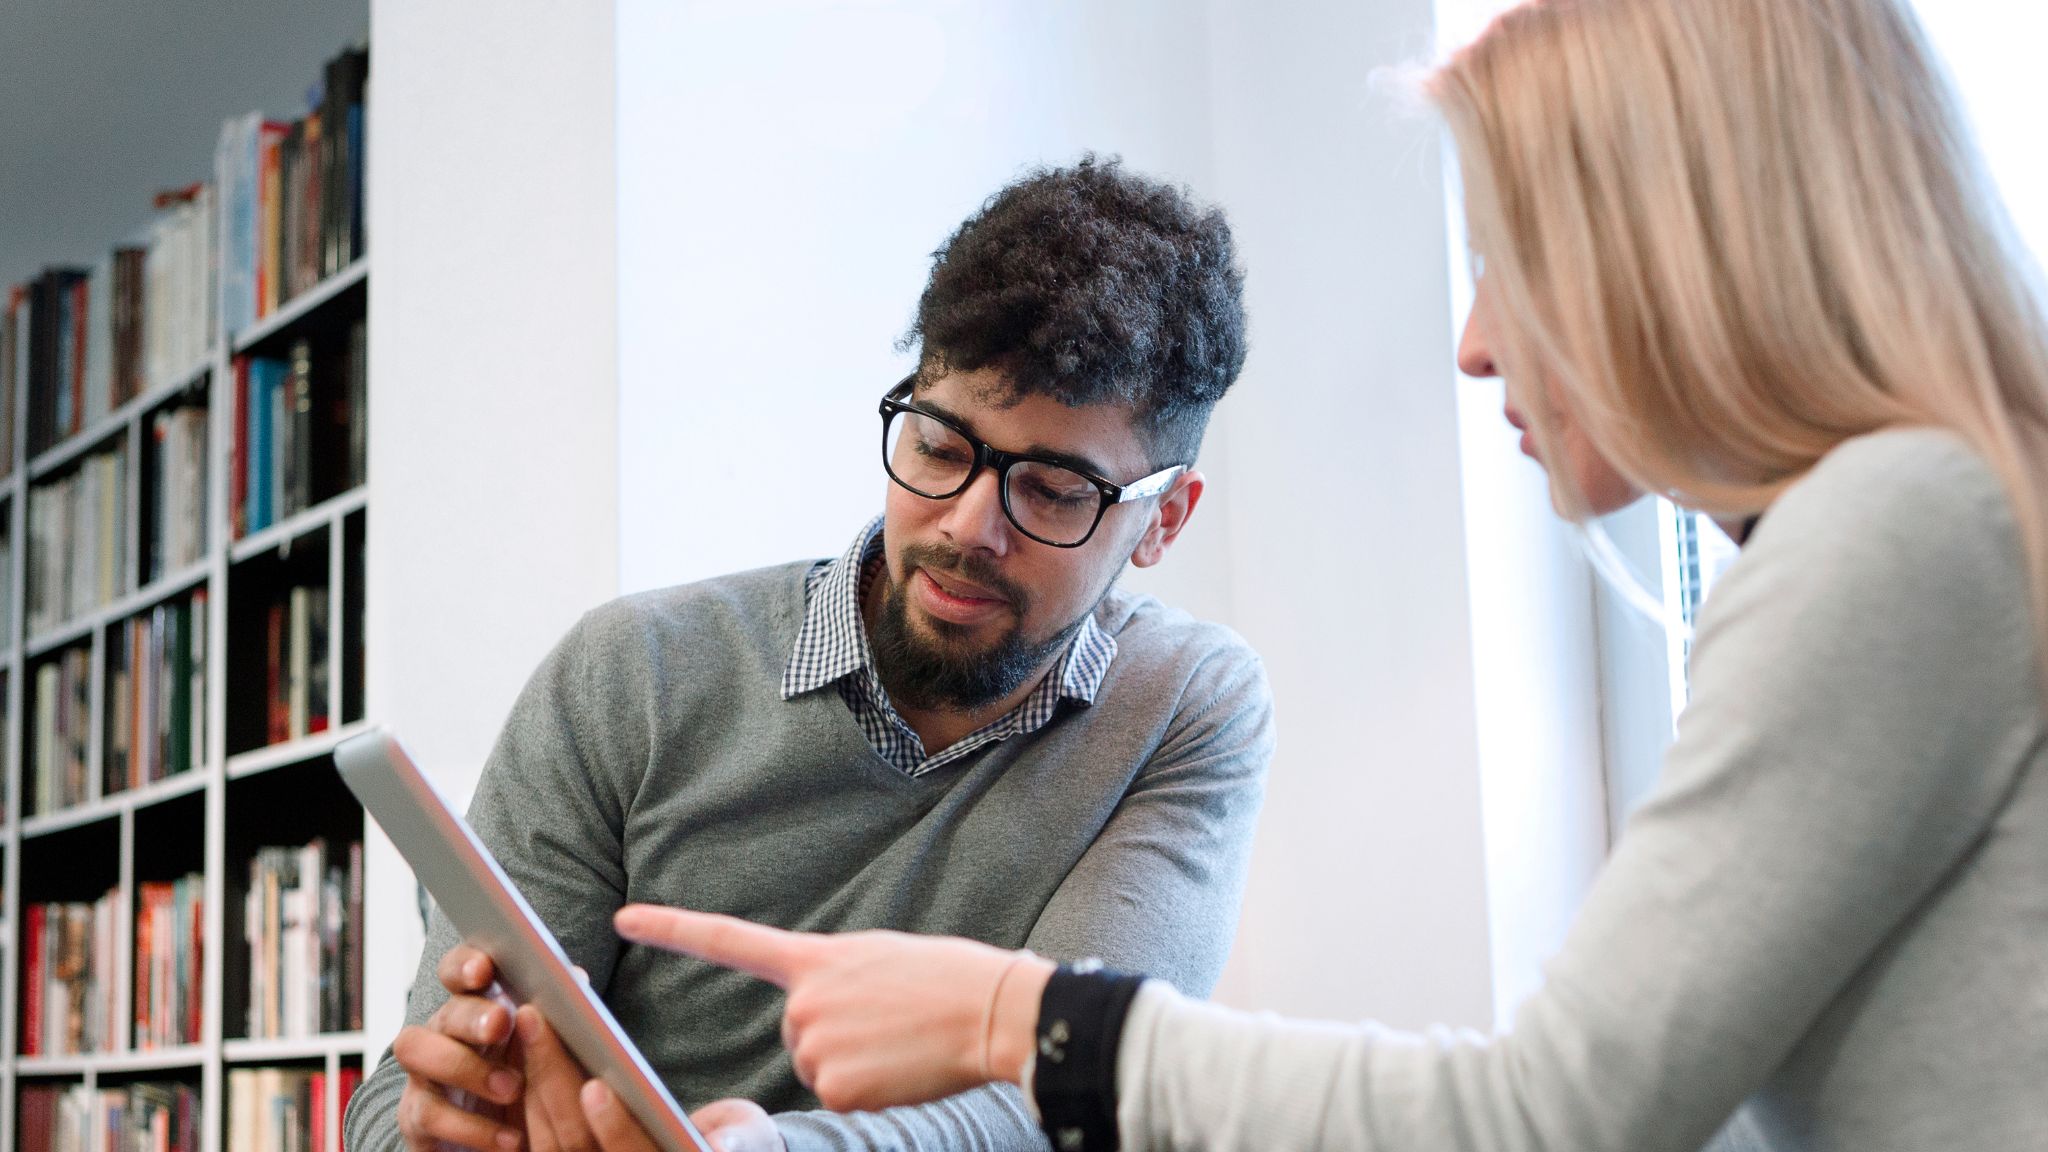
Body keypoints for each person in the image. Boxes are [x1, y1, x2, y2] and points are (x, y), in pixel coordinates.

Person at [608, 1, 2048, 1149]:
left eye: (1508, 259)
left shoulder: (1898, 526)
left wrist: (1016, 1021)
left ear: (1678, 254)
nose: (1477, 340)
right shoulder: (1901, 531)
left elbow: (1549, 1117)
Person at [342, 157, 1276, 1152]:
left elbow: (1081, 1095)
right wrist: (446, 1125)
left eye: (1049, 490)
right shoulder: (629, 676)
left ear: (1161, 519)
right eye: (939, 444)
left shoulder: (1180, 709)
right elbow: (397, 1096)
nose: (967, 527)